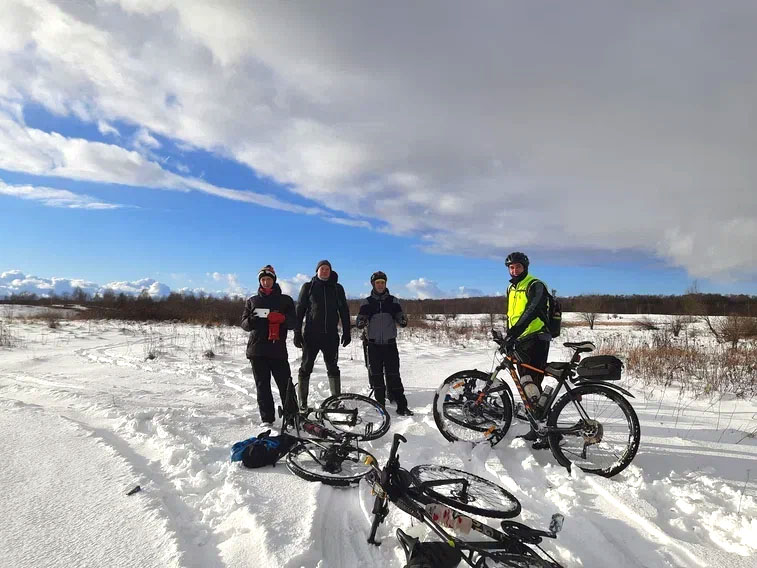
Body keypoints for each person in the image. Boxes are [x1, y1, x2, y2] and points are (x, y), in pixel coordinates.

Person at [504, 252, 553, 449]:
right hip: (521, 339)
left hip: (537, 338)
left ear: (525, 267)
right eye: (511, 267)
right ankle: (539, 426)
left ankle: (547, 431)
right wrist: (509, 336)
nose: (514, 270)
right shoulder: (511, 287)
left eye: (518, 267)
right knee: (527, 382)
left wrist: (514, 333)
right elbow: (512, 314)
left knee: (532, 382)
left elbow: (531, 311)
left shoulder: (535, 285)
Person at [241, 265, 298, 426]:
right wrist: (253, 319)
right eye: (263, 279)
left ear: (274, 280)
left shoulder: (285, 300)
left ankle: (292, 416)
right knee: (262, 386)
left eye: (269, 279)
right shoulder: (252, 300)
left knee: (285, 384)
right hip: (257, 350)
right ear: (260, 282)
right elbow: (244, 324)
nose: (266, 282)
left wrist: (282, 319)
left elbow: (294, 322)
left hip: (277, 349)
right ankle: (267, 419)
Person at [293, 260, 351, 409]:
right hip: (311, 335)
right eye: (322, 269)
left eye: (327, 269)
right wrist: (297, 332)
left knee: (333, 367)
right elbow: (299, 311)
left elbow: (344, 310)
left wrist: (347, 331)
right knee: (306, 367)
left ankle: (335, 401)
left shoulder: (337, 288)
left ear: (330, 271)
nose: (325, 271)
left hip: (330, 335)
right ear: (317, 271)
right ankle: (303, 403)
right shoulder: (308, 287)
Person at [356, 271, 413, 416]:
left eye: (382, 282)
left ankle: (401, 405)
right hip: (373, 345)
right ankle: (380, 404)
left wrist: (402, 320)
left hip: (390, 344)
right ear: (373, 285)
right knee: (376, 376)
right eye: (377, 283)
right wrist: (361, 321)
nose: (380, 285)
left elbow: (400, 316)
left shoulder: (393, 301)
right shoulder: (367, 302)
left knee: (394, 374)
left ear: (385, 284)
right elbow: (359, 319)